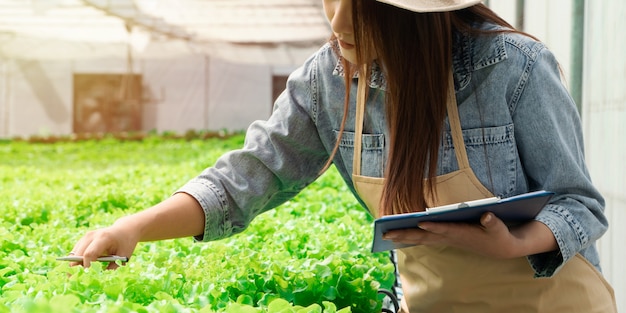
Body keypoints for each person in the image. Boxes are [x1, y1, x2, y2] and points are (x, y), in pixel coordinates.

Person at [69, 0, 617, 311]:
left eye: (362, 5)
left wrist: (513, 243)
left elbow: (579, 204)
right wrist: (135, 228)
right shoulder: (329, 82)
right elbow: (249, 175)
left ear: (414, 16)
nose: (337, 22)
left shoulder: (514, 68)